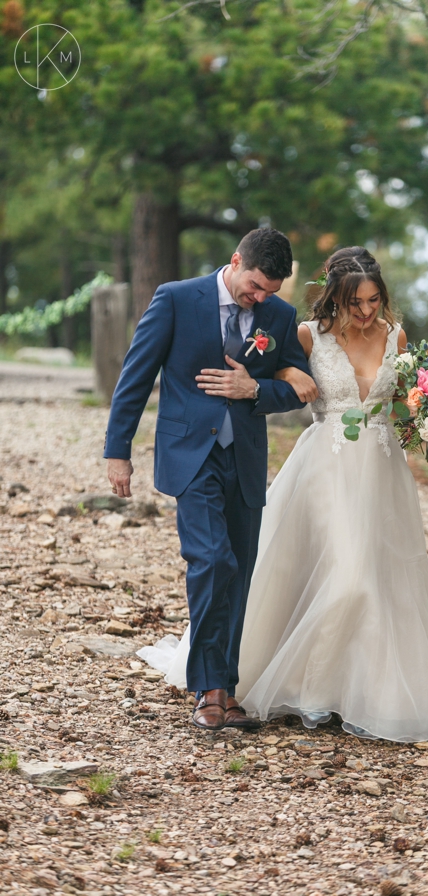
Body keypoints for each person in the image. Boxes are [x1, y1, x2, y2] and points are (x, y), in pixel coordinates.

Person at [161, 246, 428, 742]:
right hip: (325, 467)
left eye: (374, 300)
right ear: (335, 296)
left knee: (380, 579)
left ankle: (362, 693)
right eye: (355, 301)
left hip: (382, 470)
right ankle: (304, 687)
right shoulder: (306, 333)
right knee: (349, 576)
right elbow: (274, 377)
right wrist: (283, 375)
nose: (365, 311)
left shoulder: (397, 336)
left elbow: (404, 405)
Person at [106, 227, 317, 731]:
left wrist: (254, 390)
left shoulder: (280, 317)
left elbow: (299, 386)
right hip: (191, 455)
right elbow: (135, 377)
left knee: (240, 573)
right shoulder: (176, 299)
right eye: (255, 285)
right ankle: (209, 688)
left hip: (244, 460)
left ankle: (225, 683)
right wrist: (119, 452)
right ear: (236, 260)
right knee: (213, 561)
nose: (259, 296)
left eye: (270, 290)